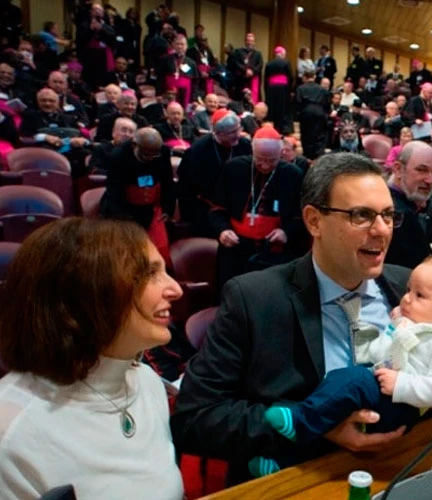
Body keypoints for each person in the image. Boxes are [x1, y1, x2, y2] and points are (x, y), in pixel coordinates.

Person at [171, 153, 411, 485]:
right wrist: (313, 426)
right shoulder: (254, 299)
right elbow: (196, 419)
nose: (382, 230)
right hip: (298, 477)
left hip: (400, 466)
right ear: (314, 221)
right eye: (362, 216)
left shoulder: (410, 287)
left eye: (388, 215)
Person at [248, 255, 432, 477]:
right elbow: (378, 354)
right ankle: (282, 463)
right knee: (337, 392)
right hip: (385, 390)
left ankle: (300, 421)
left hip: (404, 406)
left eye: (419, 296)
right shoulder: (414, 324)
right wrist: (393, 332)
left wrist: (402, 384)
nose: (406, 299)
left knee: (354, 381)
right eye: (408, 290)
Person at [0, 218, 184, 499]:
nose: (176, 289)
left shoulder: (147, 383)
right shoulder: (10, 431)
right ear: (86, 294)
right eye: (149, 274)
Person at [209, 125, 309, 290]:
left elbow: (300, 215)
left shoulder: (293, 174)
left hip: (274, 252)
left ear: (280, 154)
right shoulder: (234, 168)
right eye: (260, 159)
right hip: (236, 250)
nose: (264, 166)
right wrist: (223, 230)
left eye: (271, 160)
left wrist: (286, 232)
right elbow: (216, 208)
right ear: (253, 152)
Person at [100, 128, 176, 266]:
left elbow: (167, 182)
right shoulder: (118, 156)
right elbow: (114, 193)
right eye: (146, 155)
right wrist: (126, 222)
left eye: (154, 155)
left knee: (160, 250)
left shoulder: (162, 152)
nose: (151, 159)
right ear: (135, 145)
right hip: (124, 209)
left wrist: (168, 208)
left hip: (151, 206)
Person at [177, 110, 251, 237]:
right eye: (232, 132)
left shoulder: (243, 145)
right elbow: (186, 186)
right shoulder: (198, 150)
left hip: (237, 205)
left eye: (239, 129)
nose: (238, 135)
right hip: (206, 208)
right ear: (218, 133)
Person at [385, 141, 432, 269]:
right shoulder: (401, 215)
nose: (430, 180)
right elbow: (428, 272)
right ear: (398, 169)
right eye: (421, 170)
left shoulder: (396, 200)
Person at [295, 69, 331, 160]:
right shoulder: (321, 89)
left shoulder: (300, 88)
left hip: (306, 112)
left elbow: (298, 102)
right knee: (319, 133)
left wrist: (298, 114)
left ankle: (308, 155)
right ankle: (318, 154)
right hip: (320, 111)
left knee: (306, 134)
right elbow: (327, 103)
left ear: (304, 77)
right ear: (314, 77)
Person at [264, 46, 293, 134]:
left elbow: (266, 78)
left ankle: (272, 129)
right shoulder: (286, 62)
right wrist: (290, 89)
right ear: (282, 54)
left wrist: (266, 90)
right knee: (282, 109)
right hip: (283, 89)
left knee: (273, 109)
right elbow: (290, 77)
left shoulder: (269, 63)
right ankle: (283, 129)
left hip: (271, 89)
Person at [230, 33, 263, 103]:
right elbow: (236, 63)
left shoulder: (258, 54)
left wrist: (252, 71)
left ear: (254, 42)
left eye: (251, 41)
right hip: (241, 79)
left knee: (253, 99)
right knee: (240, 98)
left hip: (253, 79)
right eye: (248, 41)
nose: (250, 43)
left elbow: (260, 65)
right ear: (245, 41)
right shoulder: (238, 52)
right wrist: (245, 70)